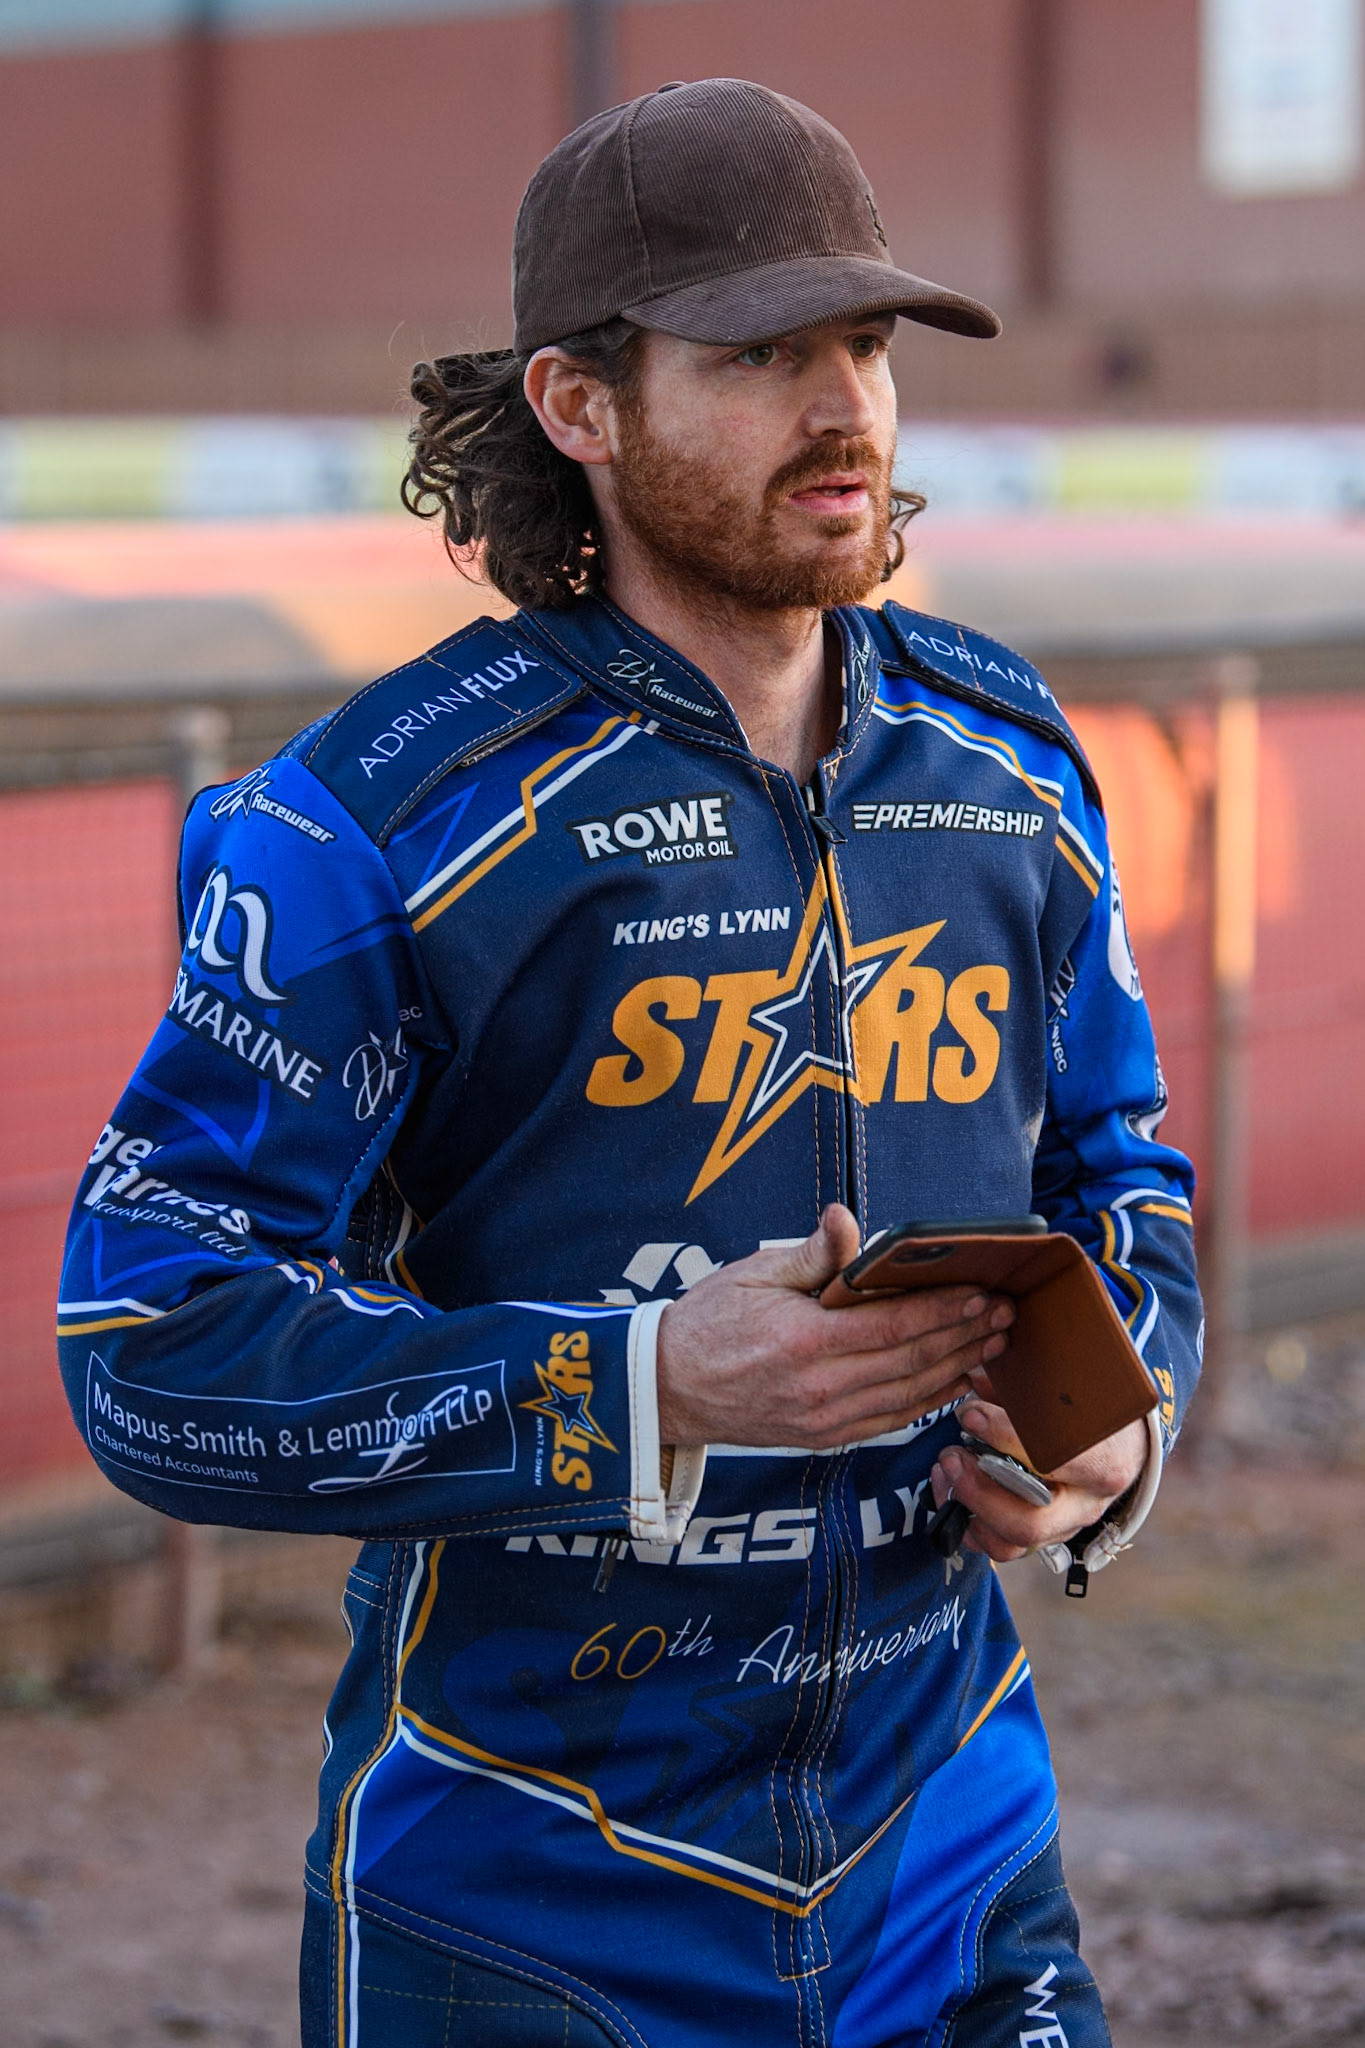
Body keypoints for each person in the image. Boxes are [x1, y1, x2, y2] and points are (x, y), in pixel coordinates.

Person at [59, 78, 1200, 2048]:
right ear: (579, 408)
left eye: (863, 345)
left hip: (945, 1857)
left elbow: (1118, 1179)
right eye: (759, 355)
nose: (842, 407)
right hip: (524, 1894)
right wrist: (638, 1386)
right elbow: (150, 1339)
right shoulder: (379, 818)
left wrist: (1114, 1438)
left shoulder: (1009, 763)